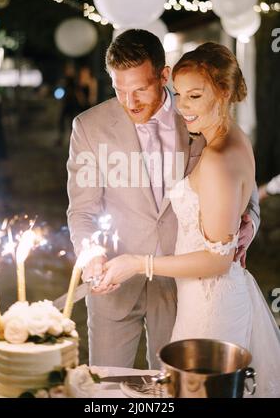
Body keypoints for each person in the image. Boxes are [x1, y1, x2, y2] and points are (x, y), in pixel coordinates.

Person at [67, 31, 260, 369]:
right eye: (119, 89)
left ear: (164, 75)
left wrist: (251, 222)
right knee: (106, 387)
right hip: (115, 288)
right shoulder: (89, 127)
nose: (131, 102)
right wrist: (92, 254)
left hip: (183, 288)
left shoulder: (198, 114)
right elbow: (82, 210)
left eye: (141, 88)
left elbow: (243, 182)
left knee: (174, 388)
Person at [96, 42, 280, 397]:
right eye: (179, 94)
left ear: (223, 92)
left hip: (211, 305)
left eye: (195, 96)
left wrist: (137, 263)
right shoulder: (235, 137)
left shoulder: (216, 157)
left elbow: (216, 259)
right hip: (206, 297)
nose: (182, 107)